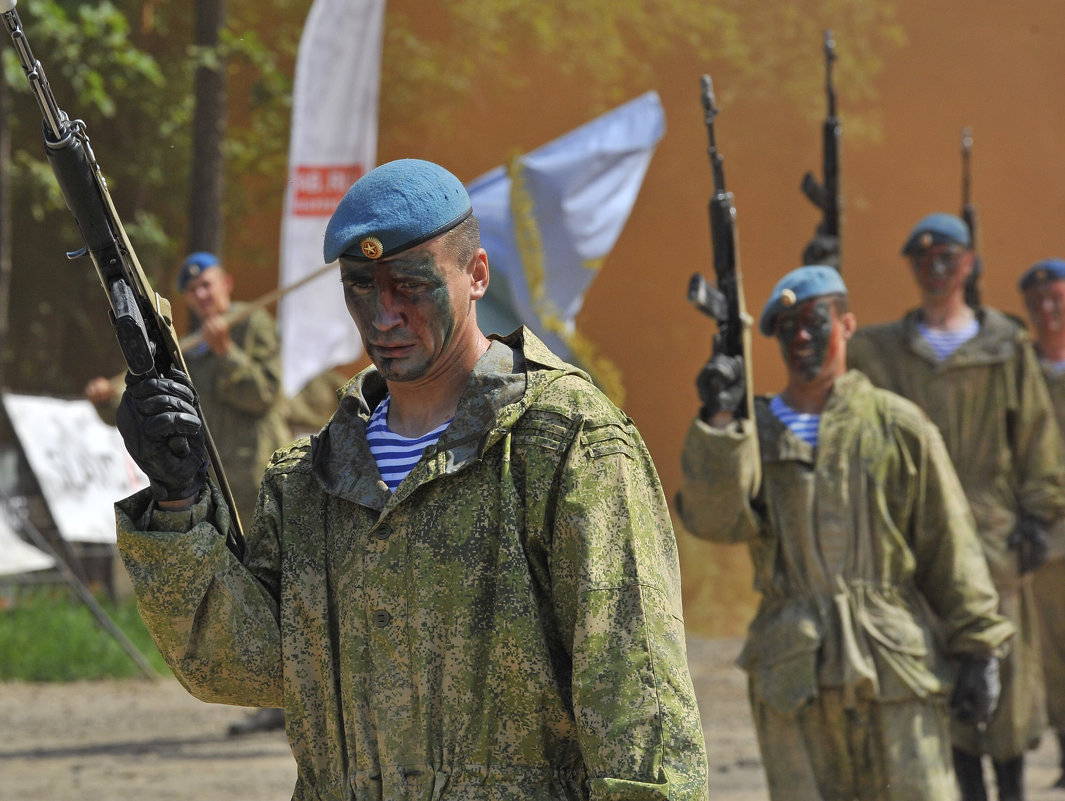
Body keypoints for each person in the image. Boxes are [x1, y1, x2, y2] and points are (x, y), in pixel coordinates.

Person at [111, 158, 709, 800]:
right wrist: (178, 501)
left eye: (411, 286)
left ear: (476, 275)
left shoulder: (565, 446)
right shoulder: (314, 478)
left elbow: (636, 704)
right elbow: (241, 666)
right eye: (360, 286)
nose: (383, 314)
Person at [676, 264, 1013, 801]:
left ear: (848, 325)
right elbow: (714, 520)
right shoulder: (754, 434)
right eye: (786, 327)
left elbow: (949, 543)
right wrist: (720, 418)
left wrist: (979, 651)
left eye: (814, 320)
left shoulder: (898, 425)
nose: (801, 336)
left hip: (894, 667)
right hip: (794, 674)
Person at [847, 213, 1065, 801]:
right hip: (914, 541)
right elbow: (843, 395)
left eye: (947, 256)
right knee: (937, 672)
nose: (935, 267)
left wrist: (1040, 515)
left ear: (969, 263)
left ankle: (1013, 789)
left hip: (996, 539)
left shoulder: (1005, 347)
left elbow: (1038, 442)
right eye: (923, 258)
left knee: (1008, 679)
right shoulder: (883, 351)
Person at [86, 251, 292, 735]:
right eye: (193, 291)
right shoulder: (184, 346)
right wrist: (104, 401)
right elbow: (158, 406)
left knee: (278, 583)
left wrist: (229, 355)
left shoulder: (251, 325)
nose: (203, 296)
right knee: (241, 588)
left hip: (262, 476)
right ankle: (269, 699)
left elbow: (265, 392)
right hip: (217, 483)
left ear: (227, 284)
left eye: (209, 285)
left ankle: (294, 696)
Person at [1018, 258, 1065, 788]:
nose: (1047, 311)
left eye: (1056, 298)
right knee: (1052, 657)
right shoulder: (1022, 366)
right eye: (1037, 303)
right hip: (1050, 539)